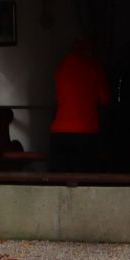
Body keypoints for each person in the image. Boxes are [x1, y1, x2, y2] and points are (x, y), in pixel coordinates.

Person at [49, 37, 110, 171]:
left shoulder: (62, 66)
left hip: (59, 133)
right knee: (86, 178)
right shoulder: (94, 67)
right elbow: (105, 100)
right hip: (86, 133)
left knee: (60, 179)